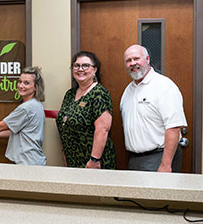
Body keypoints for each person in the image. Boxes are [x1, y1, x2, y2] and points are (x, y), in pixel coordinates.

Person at [121, 44, 187, 172]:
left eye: (136, 58)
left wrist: (166, 165)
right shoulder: (128, 91)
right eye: (128, 60)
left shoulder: (164, 86)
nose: (132, 63)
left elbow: (173, 127)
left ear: (147, 59)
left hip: (159, 158)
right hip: (134, 160)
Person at [0, 66, 46, 165]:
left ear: (36, 87)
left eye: (26, 83)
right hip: (31, 161)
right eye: (20, 82)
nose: (21, 86)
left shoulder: (26, 108)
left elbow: (0, 126)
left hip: (27, 162)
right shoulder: (36, 104)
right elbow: (13, 131)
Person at [56, 51, 116, 169]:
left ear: (94, 70)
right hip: (72, 160)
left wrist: (94, 160)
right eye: (76, 65)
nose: (80, 69)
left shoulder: (99, 94)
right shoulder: (70, 94)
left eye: (85, 66)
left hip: (93, 162)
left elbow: (102, 130)